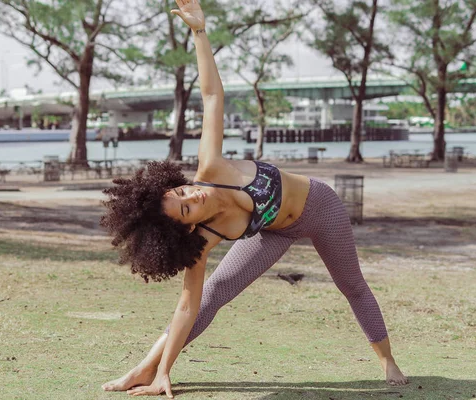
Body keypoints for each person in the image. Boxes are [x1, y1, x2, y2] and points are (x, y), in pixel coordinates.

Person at [101, 0, 408, 396]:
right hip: (275, 233)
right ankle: (147, 369)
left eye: (181, 191)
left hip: (321, 206)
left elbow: (212, 96)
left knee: (351, 285)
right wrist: (166, 370)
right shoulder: (203, 237)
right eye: (186, 206)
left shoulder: (210, 167)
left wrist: (199, 32)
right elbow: (186, 307)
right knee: (212, 295)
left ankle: (387, 360)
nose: (191, 193)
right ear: (189, 226)